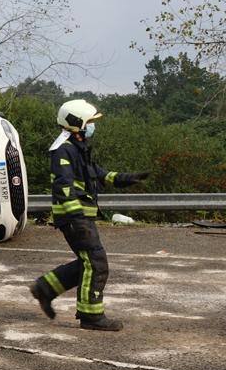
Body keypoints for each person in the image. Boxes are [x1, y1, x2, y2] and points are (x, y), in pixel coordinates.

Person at [29, 100, 149, 331]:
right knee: (96, 263)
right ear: (77, 123)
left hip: (81, 217)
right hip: (75, 217)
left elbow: (99, 175)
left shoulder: (78, 147)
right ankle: (91, 317)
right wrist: (77, 219)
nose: (93, 126)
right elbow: (63, 187)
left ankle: (45, 288)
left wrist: (127, 178)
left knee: (89, 262)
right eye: (90, 122)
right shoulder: (63, 150)